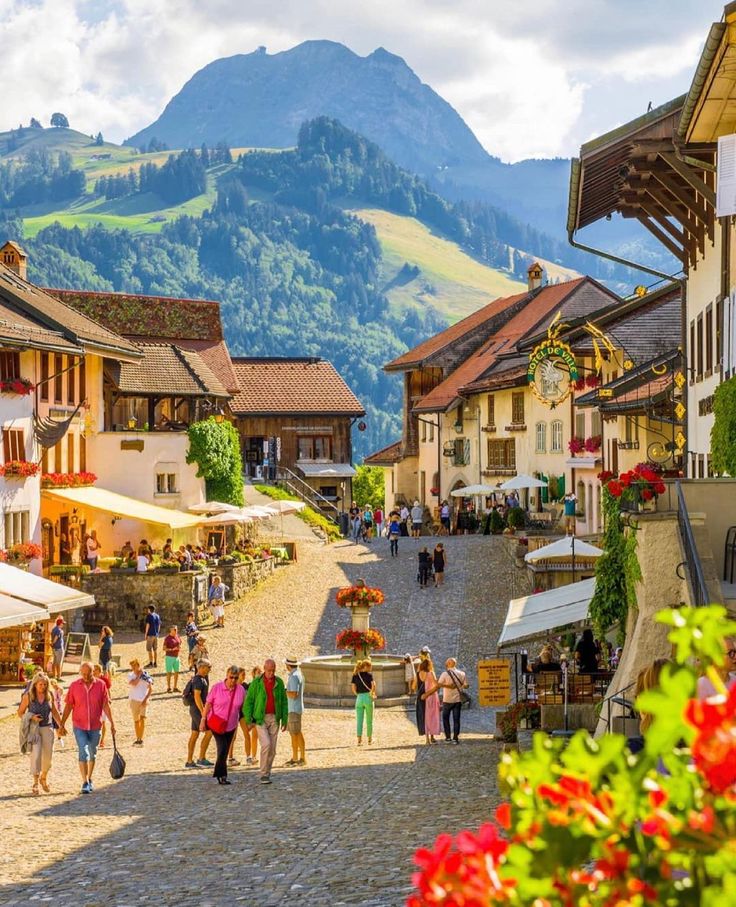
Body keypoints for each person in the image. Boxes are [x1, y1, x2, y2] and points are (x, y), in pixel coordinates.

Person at [59, 661, 115, 794]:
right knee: (84, 750)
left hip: (96, 725)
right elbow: (68, 706)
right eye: (82, 673)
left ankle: (90, 778)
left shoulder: (100, 685)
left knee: (93, 752)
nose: (85, 676)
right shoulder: (74, 686)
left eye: (88, 673)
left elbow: (106, 705)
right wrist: (62, 723)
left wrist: (112, 723)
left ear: (93, 672)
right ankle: (84, 781)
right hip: (79, 725)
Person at [243, 658, 289, 785]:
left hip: (274, 718)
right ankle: (263, 773)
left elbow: (284, 702)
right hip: (260, 718)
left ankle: (267, 772)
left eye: (273, 670)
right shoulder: (257, 683)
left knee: (272, 749)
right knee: (266, 744)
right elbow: (249, 702)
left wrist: (285, 719)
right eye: (269, 670)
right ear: (264, 669)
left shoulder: (279, 683)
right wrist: (248, 719)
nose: (271, 673)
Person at [18, 672, 64, 795]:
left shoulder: (49, 695)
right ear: (35, 684)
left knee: (48, 757)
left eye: (44, 684)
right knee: (36, 754)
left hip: (48, 728)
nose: (42, 686)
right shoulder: (28, 696)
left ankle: (43, 778)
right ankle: (35, 782)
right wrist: (31, 717)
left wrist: (61, 725)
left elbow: (54, 711)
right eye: (40, 684)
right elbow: (20, 712)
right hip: (34, 729)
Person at [200, 665, 246, 785]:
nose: (233, 680)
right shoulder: (217, 688)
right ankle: (222, 775)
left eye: (236, 678)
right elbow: (208, 704)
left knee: (224, 751)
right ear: (227, 675)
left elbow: (243, 707)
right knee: (223, 748)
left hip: (231, 725)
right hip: (216, 723)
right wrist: (203, 719)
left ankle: (220, 774)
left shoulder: (240, 690)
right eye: (231, 677)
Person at [185, 659, 213, 768]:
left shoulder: (199, 679)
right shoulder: (199, 680)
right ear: (201, 667)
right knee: (209, 732)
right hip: (198, 710)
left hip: (194, 709)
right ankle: (201, 758)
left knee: (195, 734)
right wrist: (203, 713)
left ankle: (190, 760)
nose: (209, 670)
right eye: (208, 667)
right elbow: (197, 696)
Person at [436, 657, 468, 744]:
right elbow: (466, 685)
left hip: (447, 699)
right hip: (457, 700)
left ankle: (448, 737)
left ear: (448, 664)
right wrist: (463, 686)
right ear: (455, 664)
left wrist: (448, 686)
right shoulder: (462, 673)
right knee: (456, 720)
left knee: (445, 718)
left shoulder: (444, 674)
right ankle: (455, 738)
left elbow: (439, 684)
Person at [228, 667, 253, 767]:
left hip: (242, 713)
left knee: (246, 733)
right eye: (242, 675)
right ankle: (230, 757)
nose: (243, 677)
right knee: (232, 737)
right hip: (234, 712)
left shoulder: (245, 686)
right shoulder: (232, 686)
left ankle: (248, 757)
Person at [284, 656, 306, 767]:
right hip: (297, 708)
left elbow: (293, 694)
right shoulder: (299, 674)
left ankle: (295, 757)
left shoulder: (293, 677)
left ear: (288, 665)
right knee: (298, 733)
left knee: (294, 734)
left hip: (293, 709)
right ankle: (302, 757)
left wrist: (284, 691)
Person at [128, 658, 153, 745]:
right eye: (132, 666)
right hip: (134, 700)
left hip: (143, 700)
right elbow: (134, 683)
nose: (133, 668)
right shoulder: (131, 675)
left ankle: (140, 739)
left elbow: (150, 689)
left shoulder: (146, 676)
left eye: (135, 666)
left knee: (142, 719)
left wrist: (146, 699)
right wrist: (139, 675)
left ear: (138, 665)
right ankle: (138, 737)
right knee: (136, 720)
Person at [351, 658, 376, 746]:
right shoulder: (369, 675)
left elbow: (353, 688)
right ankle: (369, 739)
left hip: (359, 698)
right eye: (370, 666)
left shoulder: (355, 675)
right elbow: (373, 685)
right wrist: (371, 693)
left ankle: (359, 740)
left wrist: (357, 695)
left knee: (359, 720)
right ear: (366, 666)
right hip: (368, 697)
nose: (371, 668)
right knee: (369, 720)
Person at [417, 657, 440, 745]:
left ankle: (427, 739)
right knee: (433, 716)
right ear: (430, 665)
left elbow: (415, 686)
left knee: (426, 716)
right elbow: (436, 685)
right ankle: (432, 736)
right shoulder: (431, 673)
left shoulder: (418, 673)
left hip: (422, 696)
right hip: (431, 696)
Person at [92, 664, 112, 749]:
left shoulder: (104, 680)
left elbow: (107, 691)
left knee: (103, 722)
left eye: (95, 670)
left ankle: (102, 740)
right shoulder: (91, 680)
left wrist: (109, 699)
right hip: (94, 704)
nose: (93, 671)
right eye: (93, 670)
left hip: (103, 703)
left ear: (99, 671)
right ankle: (95, 739)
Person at [163, 625, 182, 693]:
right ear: (171, 630)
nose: (176, 631)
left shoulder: (177, 636)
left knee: (177, 672)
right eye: (175, 630)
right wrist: (172, 649)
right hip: (169, 657)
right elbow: (164, 648)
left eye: (176, 629)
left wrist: (179, 647)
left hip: (177, 657)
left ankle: (175, 687)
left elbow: (180, 643)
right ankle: (168, 687)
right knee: (169, 673)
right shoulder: (167, 638)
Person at [50, 616, 65, 680]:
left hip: (54, 648)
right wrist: (53, 643)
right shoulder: (59, 630)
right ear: (60, 624)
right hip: (59, 648)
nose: (63, 625)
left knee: (54, 662)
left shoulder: (54, 629)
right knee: (59, 663)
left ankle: (54, 676)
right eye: (63, 623)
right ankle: (59, 677)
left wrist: (52, 644)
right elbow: (56, 637)